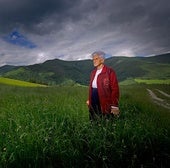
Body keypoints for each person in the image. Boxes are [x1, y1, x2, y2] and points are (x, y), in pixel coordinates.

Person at [86, 51, 120, 120]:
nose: (94, 61)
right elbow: (91, 88)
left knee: (105, 117)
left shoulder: (109, 72)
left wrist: (114, 105)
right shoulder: (93, 72)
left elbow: (115, 89)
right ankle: (94, 129)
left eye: (96, 59)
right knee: (93, 117)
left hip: (104, 99)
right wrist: (89, 99)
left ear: (102, 60)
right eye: (93, 59)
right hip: (93, 96)